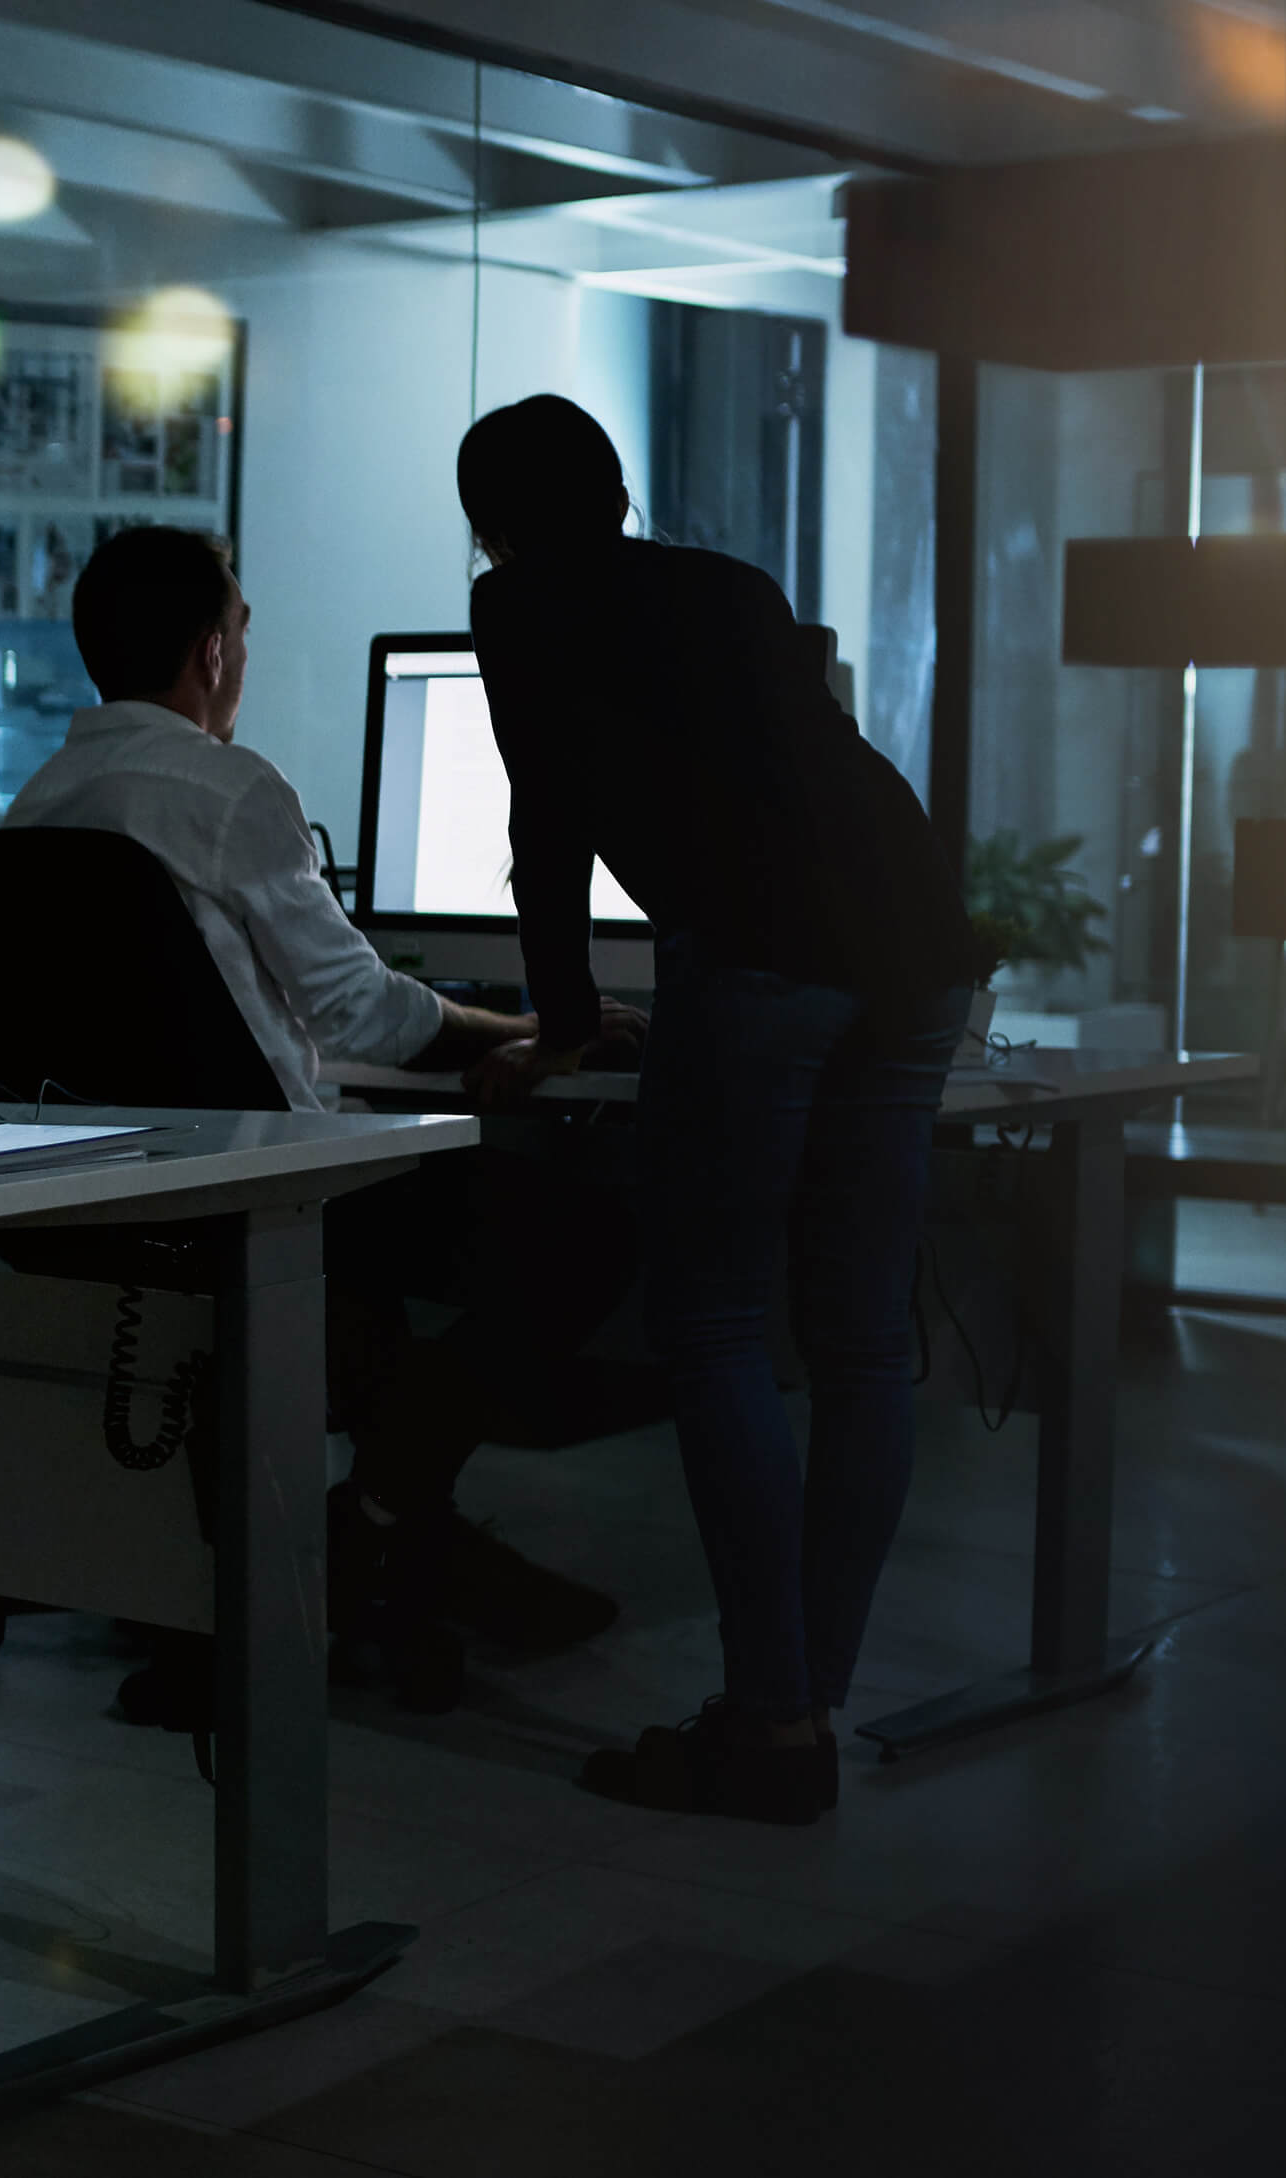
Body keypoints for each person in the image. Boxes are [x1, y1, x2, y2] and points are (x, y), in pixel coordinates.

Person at [0, 525, 636, 1710]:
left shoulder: (43, 797)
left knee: (399, 1268)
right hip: (270, 1189)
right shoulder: (226, 787)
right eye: (239, 631)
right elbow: (361, 1015)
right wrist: (544, 1031)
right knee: (586, 1237)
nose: (239, 652)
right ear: (209, 652)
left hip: (124, 1197)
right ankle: (377, 1521)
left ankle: (392, 1537)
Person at [458, 395, 975, 1826]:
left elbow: (541, 826)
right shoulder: (730, 584)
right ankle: (795, 1710)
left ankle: (771, 1721)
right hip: (919, 940)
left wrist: (561, 1027)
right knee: (866, 1337)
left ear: (487, 528)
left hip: (760, 954)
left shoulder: (516, 603)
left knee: (715, 1323)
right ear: (619, 494)